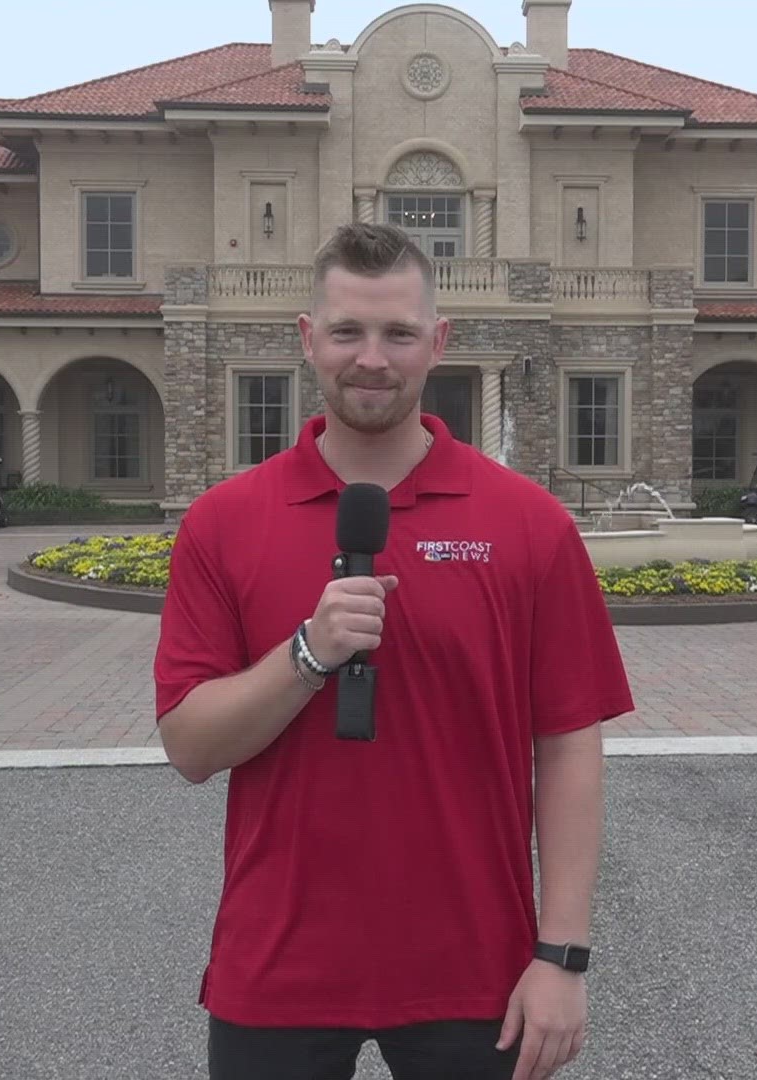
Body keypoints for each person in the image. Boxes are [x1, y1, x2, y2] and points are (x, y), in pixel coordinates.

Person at [153, 221, 635, 1080]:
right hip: (278, 966)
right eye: (347, 331)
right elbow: (191, 747)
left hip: (474, 967)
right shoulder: (224, 524)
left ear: (437, 344)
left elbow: (568, 743)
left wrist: (563, 955)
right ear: (308, 339)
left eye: (398, 333)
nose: (371, 358)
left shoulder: (529, 525)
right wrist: (307, 653)